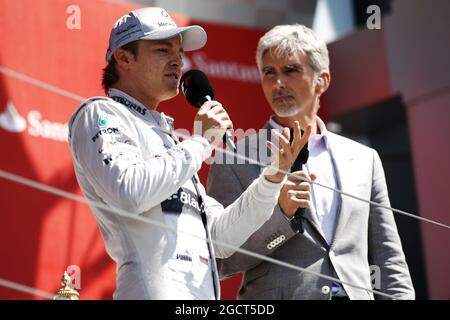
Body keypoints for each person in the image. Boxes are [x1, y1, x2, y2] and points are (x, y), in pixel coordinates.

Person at [67, 8, 310, 300]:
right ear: (123, 57)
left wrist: (270, 181)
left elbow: (220, 239)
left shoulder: (170, 141)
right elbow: (129, 191)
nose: (177, 61)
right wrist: (201, 141)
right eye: (162, 49)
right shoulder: (99, 113)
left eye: (180, 52)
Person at [207, 24, 415, 300]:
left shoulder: (365, 159)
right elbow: (220, 262)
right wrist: (280, 217)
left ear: (322, 80)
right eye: (269, 72)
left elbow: (389, 258)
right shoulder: (233, 159)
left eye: (290, 70)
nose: (278, 83)